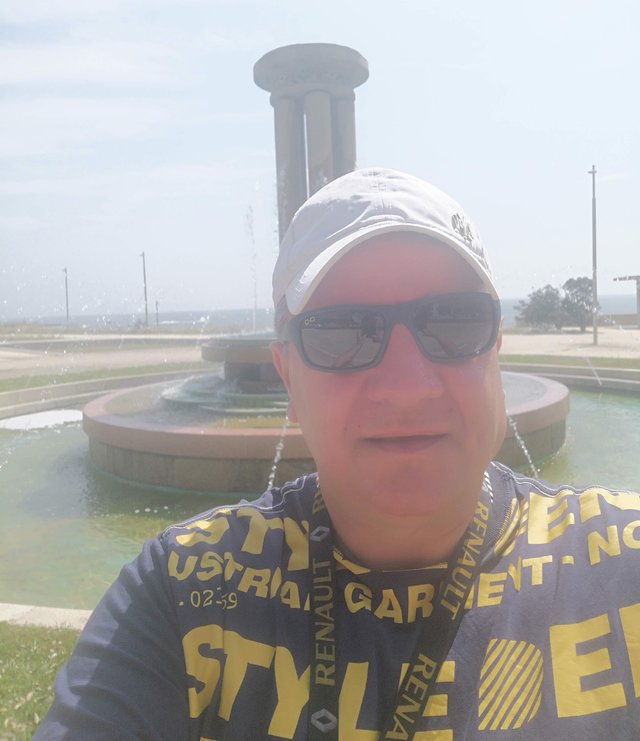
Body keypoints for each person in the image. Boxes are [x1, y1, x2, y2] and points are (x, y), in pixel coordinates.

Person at [36, 168, 640, 740]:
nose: (407, 387)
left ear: (495, 348)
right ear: (288, 376)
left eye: (454, 322)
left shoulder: (624, 561)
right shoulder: (187, 589)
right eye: (340, 332)